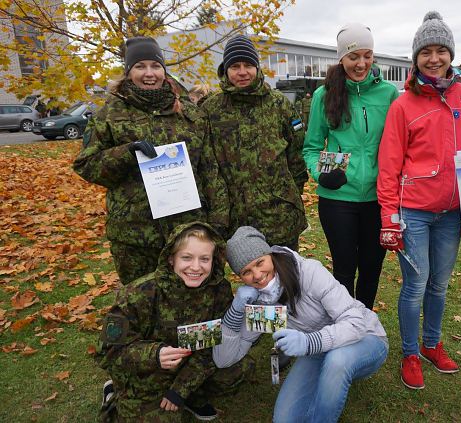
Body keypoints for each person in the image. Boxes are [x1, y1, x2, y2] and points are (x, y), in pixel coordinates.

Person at [376, 11, 461, 390]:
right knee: (416, 283)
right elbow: (389, 165)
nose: (434, 58)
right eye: (426, 52)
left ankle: (432, 344)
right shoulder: (403, 105)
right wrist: (389, 215)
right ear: (415, 57)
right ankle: (409, 352)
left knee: (440, 283)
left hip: (452, 213)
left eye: (441, 51)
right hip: (414, 212)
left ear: (451, 55)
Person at [73, 36, 228, 285]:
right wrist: (126, 154)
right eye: (140, 66)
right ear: (128, 71)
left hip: (186, 230)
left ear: (163, 70)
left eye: (155, 66)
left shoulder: (188, 112)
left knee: (190, 300)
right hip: (135, 235)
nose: (149, 74)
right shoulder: (110, 114)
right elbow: (86, 165)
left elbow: (209, 168)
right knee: (141, 304)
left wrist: (218, 222)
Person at [221, 226, 388, 423]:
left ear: (270, 255)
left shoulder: (308, 272)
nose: (257, 275)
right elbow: (226, 358)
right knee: (284, 420)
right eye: (246, 272)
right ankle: (327, 382)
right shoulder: (260, 302)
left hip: (366, 338)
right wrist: (235, 311)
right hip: (318, 351)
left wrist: (309, 342)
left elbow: (355, 322)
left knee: (337, 361)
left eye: (260, 263)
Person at [96, 222, 255, 422]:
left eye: (204, 259)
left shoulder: (218, 290)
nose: (196, 267)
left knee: (239, 368)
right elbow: (106, 351)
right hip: (148, 373)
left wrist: (181, 389)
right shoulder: (138, 294)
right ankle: (114, 395)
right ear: (171, 259)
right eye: (186, 257)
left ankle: (191, 396)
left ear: (214, 260)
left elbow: (213, 342)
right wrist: (154, 355)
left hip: (191, 365)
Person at [303, 23, 398, 309]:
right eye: (353, 56)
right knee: (344, 270)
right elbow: (310, 147)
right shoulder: (325, 95)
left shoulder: (389, 94)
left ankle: (364, 321)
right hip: (337, 200)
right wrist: (321, 173)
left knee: (371, 270)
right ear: (341, 58)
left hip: (377, 198)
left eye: (367, 55)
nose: (361, 63)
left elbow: (398, 146)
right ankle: (344, 323)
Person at [201, 35, 307, 250]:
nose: (242, 72)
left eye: (248, 65)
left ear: (258, 68)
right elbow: (206, 162)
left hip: (280, 213)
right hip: (237, 216)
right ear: (225, 70)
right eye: (235, 66)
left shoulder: (278, 103)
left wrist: (291, 192)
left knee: (287, 274)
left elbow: (297, 152)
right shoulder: (211, 109)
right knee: (252, 276)